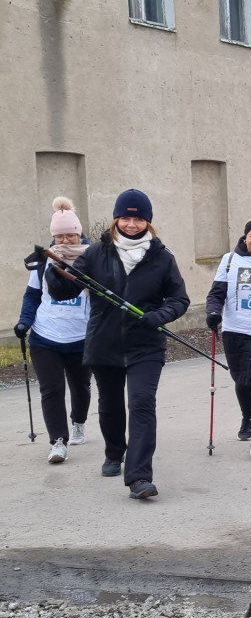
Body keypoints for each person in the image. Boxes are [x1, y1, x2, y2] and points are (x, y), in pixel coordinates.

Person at [46, 189, 190, 499]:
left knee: (141, 403)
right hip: (104, 344)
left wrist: (160, 315)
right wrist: (53, 273)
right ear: (116, 219)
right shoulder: (97, 253)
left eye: (138, 218)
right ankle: (114, 452)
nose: (131, 224)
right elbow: (65, 290)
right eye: (126, 217)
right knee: (110, 407)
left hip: (146, 345)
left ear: (147, 222)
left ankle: (138, 476)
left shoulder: (162, 257)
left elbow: (179, 299)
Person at [15, 197, 92, 464]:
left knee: (81, 387)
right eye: (60, 235)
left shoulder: (92, 259)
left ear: (79, 232)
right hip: (45, 336)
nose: (67, 240)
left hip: (81, 337)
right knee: (51, 389)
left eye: (71, 234)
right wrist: (25, 321)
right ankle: (58, 442)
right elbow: (32, 295)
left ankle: (78, 422)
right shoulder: (42, 261)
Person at [205, 218, 251, 459]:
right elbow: (217, 293)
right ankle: (247, 417)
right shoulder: (230, 260)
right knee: (243, 381)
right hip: (235, 330)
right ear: (245, 237)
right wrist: (213, 312)